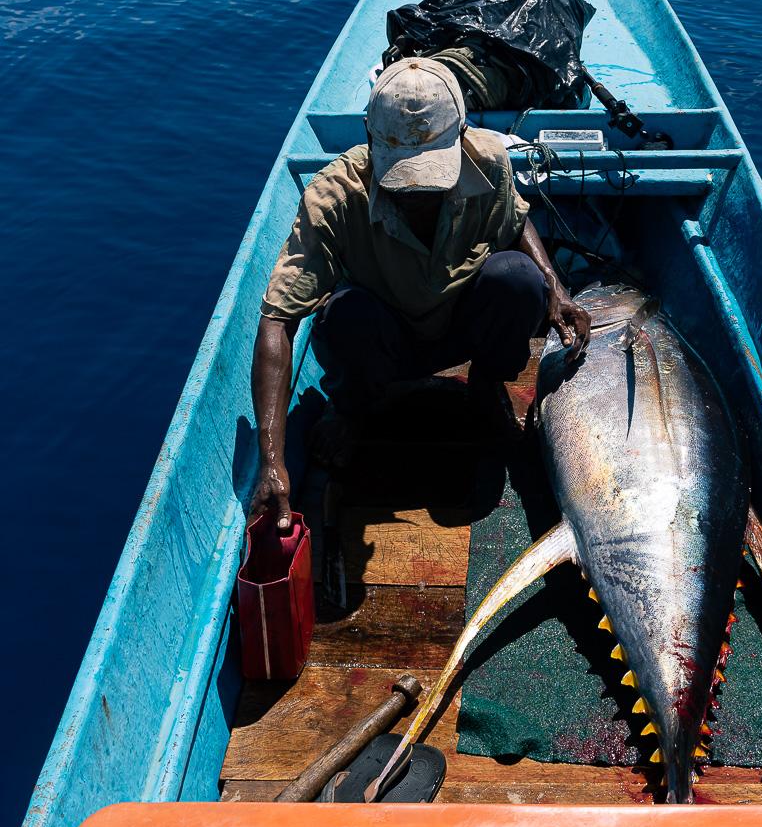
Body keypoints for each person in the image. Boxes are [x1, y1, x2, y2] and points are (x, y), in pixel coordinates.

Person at [250, 56, 591, 530]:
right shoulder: (333, 197)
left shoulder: (490, 161)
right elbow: (277, 322)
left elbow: (515, 223)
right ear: (370, 141)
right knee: (346, 315)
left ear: (461, 137)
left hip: (460, 327)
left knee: (519, 278)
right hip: (384, 340)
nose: (416, 194)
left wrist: (555, 288)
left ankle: (486, 382)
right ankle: (353, 406)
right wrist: (272, 460)